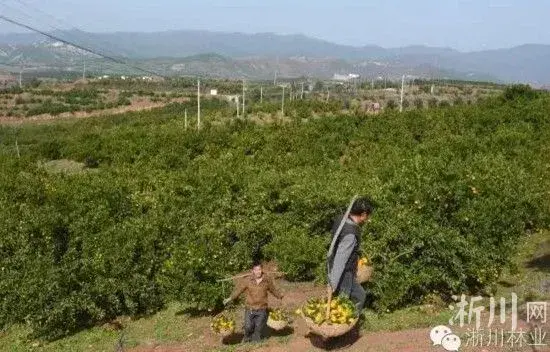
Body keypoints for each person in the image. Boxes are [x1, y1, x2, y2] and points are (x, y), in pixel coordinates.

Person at [327, 197, 374, 313]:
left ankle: (343, 323)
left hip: (334, 267)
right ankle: (345, 326)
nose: (368, 219)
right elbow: (340, 260)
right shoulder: (350, 235)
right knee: (351, 299)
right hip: (344, 274)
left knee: (349, 298)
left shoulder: (341, 219)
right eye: (368, 216)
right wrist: (332, 283)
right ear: (363, 214)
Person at [223, 262, 284, 343]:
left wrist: (279, 296)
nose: (258, 271)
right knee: (248, 327)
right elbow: (239, 290)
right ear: (253, 271)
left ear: (262, 270)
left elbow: (273, 290)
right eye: (256, 270)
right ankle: (247, 337)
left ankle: (256, 342)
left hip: (262, 308)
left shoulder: (267, 280)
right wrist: (230, 298)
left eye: (259, 269)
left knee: (258, 328)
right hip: (250, 308)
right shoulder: (247, 280)